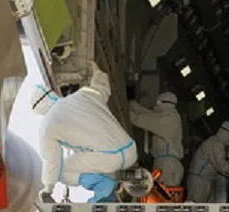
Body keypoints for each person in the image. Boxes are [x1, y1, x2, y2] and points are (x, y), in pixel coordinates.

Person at [31, 62, 138, 203]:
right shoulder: (82, 96)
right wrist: (97, 71)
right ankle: (112, 180)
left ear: (39, 109)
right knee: (92, 159)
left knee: (61, 171)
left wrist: (48, 187)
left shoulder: (47, 125)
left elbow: (52, 160)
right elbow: (102, 88)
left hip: (108, 158)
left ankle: (104, 188)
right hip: (131, 150)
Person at [129, 92, 185, 187]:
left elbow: (143, 121)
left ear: (162, 103)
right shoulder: (171, 116)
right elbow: (150, 115)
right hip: (167, 164)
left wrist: (124, 111)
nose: (156, 105)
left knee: (162, 196)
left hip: (167, 166)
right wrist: (133, 105)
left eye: (158, 102)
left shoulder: (167, 120)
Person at [185, 121, 229, 203]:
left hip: (205, 180)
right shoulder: (215, 145)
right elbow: (224, 168)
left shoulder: (216, 143)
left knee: (205, 210)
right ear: (227, 134)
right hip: (199, 182)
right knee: (196, 210)